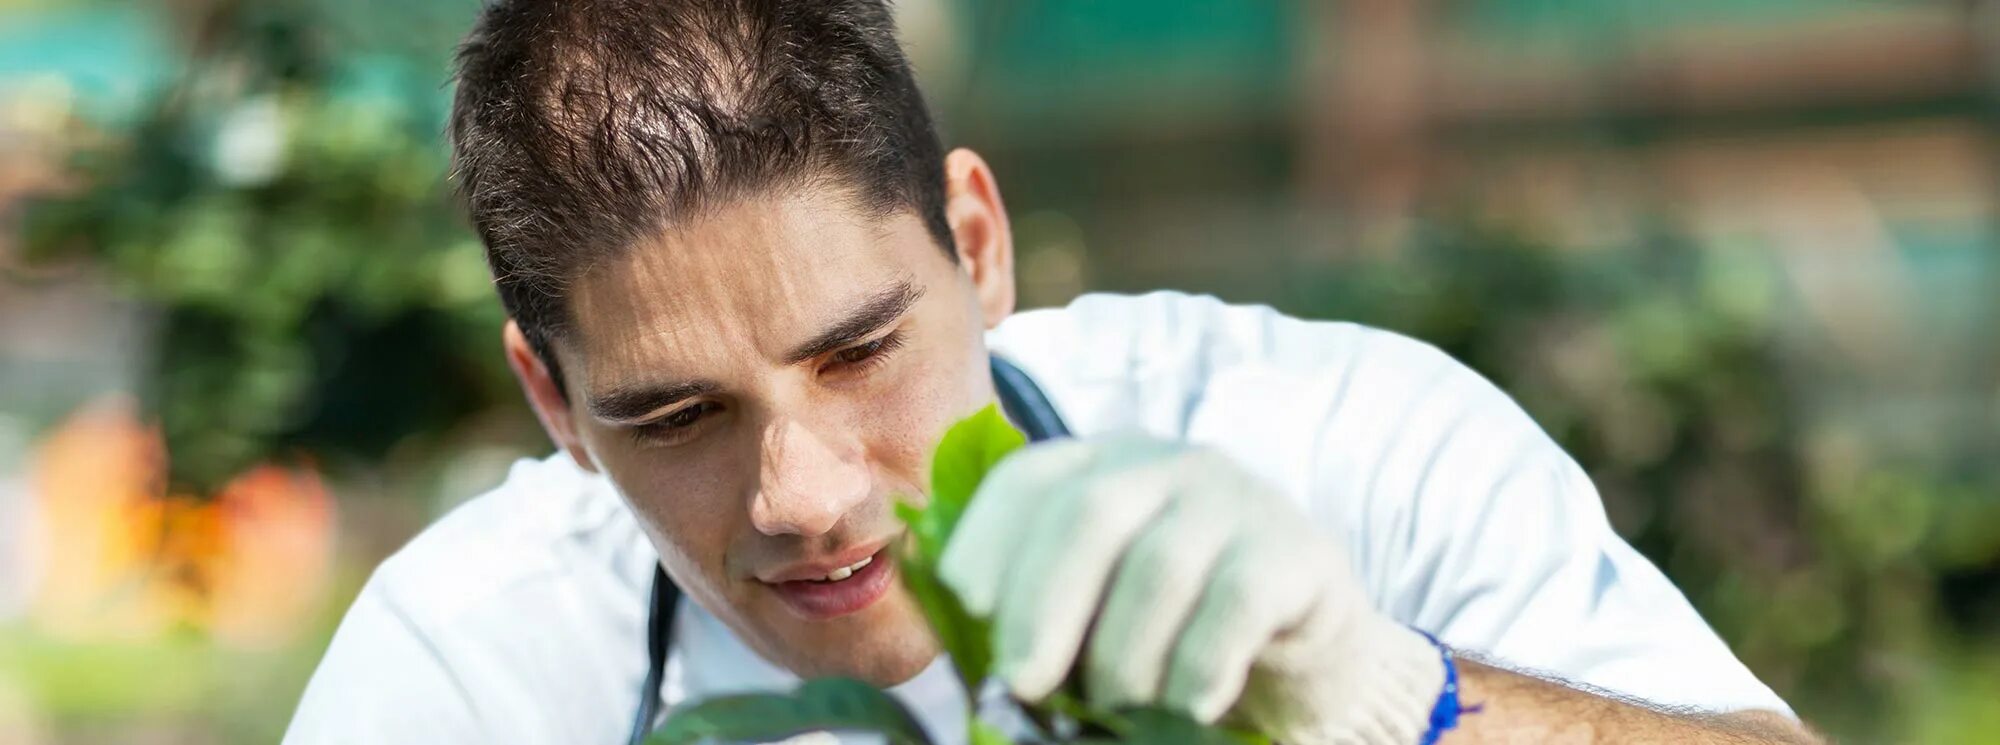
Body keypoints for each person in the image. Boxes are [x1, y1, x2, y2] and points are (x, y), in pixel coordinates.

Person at [284, 1, 1820, 743]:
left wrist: (1374, 691)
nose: (807, 498)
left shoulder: (1348, 440)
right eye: (674, 415)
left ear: (977, 238)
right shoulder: (466, 670)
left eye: (862, 350)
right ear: (553, 403)